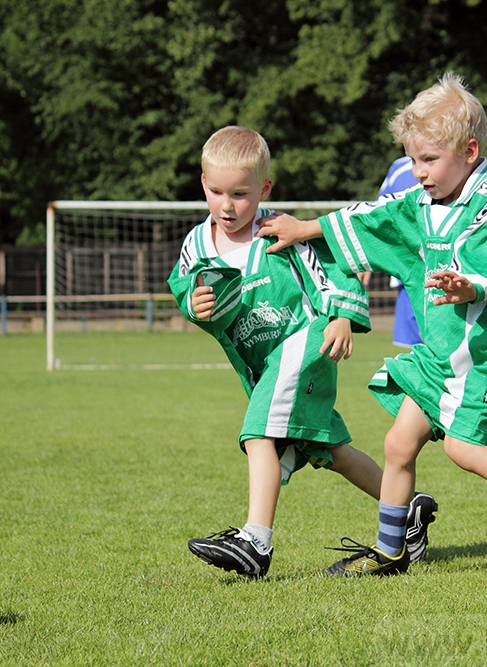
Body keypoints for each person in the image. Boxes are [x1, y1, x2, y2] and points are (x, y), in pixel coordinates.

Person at [258, 73, 487, 582]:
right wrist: (305, 227)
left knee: (463, 448)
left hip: (482, 355)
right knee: (398, 444)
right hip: (439, 353)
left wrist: (473, 287)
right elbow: (372, 218)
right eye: (413, 160)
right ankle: (391, 551)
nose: (418, 172)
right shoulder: (419, 203)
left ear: (470, 149)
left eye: (429, 160)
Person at [167, 126, 436, 578]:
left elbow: (336, 270)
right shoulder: (196, 246)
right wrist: (193, 305)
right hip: (265, 364)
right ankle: (408, 513)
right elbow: (185, 290)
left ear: (264, 189)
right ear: (202, 184)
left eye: (240, 194)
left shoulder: (282, 232)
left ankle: (256, 541)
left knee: (258, 434)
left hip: (306, 344)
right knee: (334, 450)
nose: (227, 205)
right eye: (216, 192)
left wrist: (343, 318)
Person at [377, 156, 424, 347]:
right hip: (408, 272)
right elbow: (379, 213)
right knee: (413, 351)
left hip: (445, 274)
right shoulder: (399, 168)